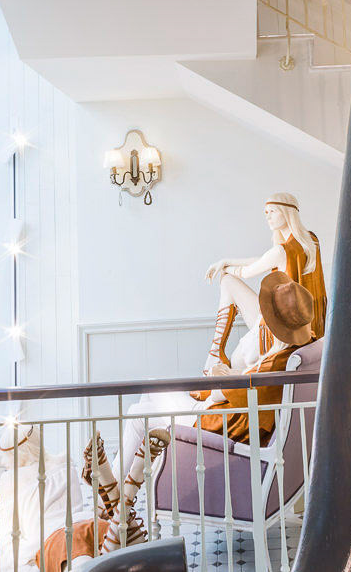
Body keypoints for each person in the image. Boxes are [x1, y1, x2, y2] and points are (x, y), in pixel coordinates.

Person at [83, 273, 315, 551]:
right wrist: (232, 375)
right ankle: (116, 500)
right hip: (226, 420)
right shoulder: (298, 354)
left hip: (217, 429)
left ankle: (110, 506)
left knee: (137, 414)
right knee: (149, 396)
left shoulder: (276, 368)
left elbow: (224, 394)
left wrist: (223, 374)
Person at [201, 191, 326, 382]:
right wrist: (226, 261)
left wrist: (225, 268)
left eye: (272, 211)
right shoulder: (311, 241)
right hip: (306, 327)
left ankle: (215, 351)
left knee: (227, 280)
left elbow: (247, 272)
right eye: (266, 212)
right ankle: (216, 352)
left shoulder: (282, 251)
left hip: (281, 331)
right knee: (228, 277)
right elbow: (263, 260)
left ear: (287, 212)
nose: (267, 216)